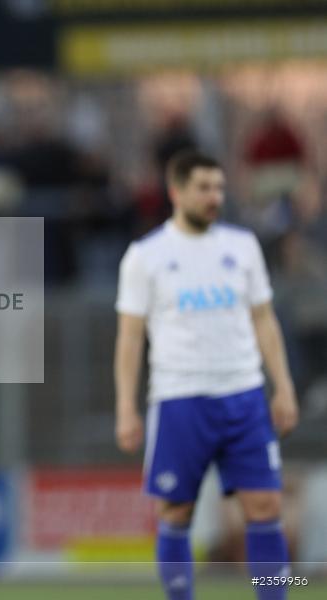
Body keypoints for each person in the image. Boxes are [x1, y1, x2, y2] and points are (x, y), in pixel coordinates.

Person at [114, 149, 299, 600]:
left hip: (244, 393)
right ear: (177, 191)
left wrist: (284, 387)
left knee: (265, 504)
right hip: (180, 397)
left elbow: (263, 319)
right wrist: (125, 407)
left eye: (219, 187)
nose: (214, 196)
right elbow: (130, 338)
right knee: (176, 511)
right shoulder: (146, 256)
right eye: (203, 187)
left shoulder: (243, 245)